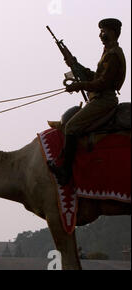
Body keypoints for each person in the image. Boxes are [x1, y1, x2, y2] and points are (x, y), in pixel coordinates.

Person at [48, 18, 126, 185]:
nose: (100, 35)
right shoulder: (108, 52)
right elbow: (96, 77)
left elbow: (102, 83)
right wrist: (75, 65)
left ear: (112, 32)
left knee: (71, 127)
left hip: (104, 100)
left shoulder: (113, 55)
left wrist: (79, 85)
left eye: (103, 31)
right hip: (98, 97)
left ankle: (65, 172)